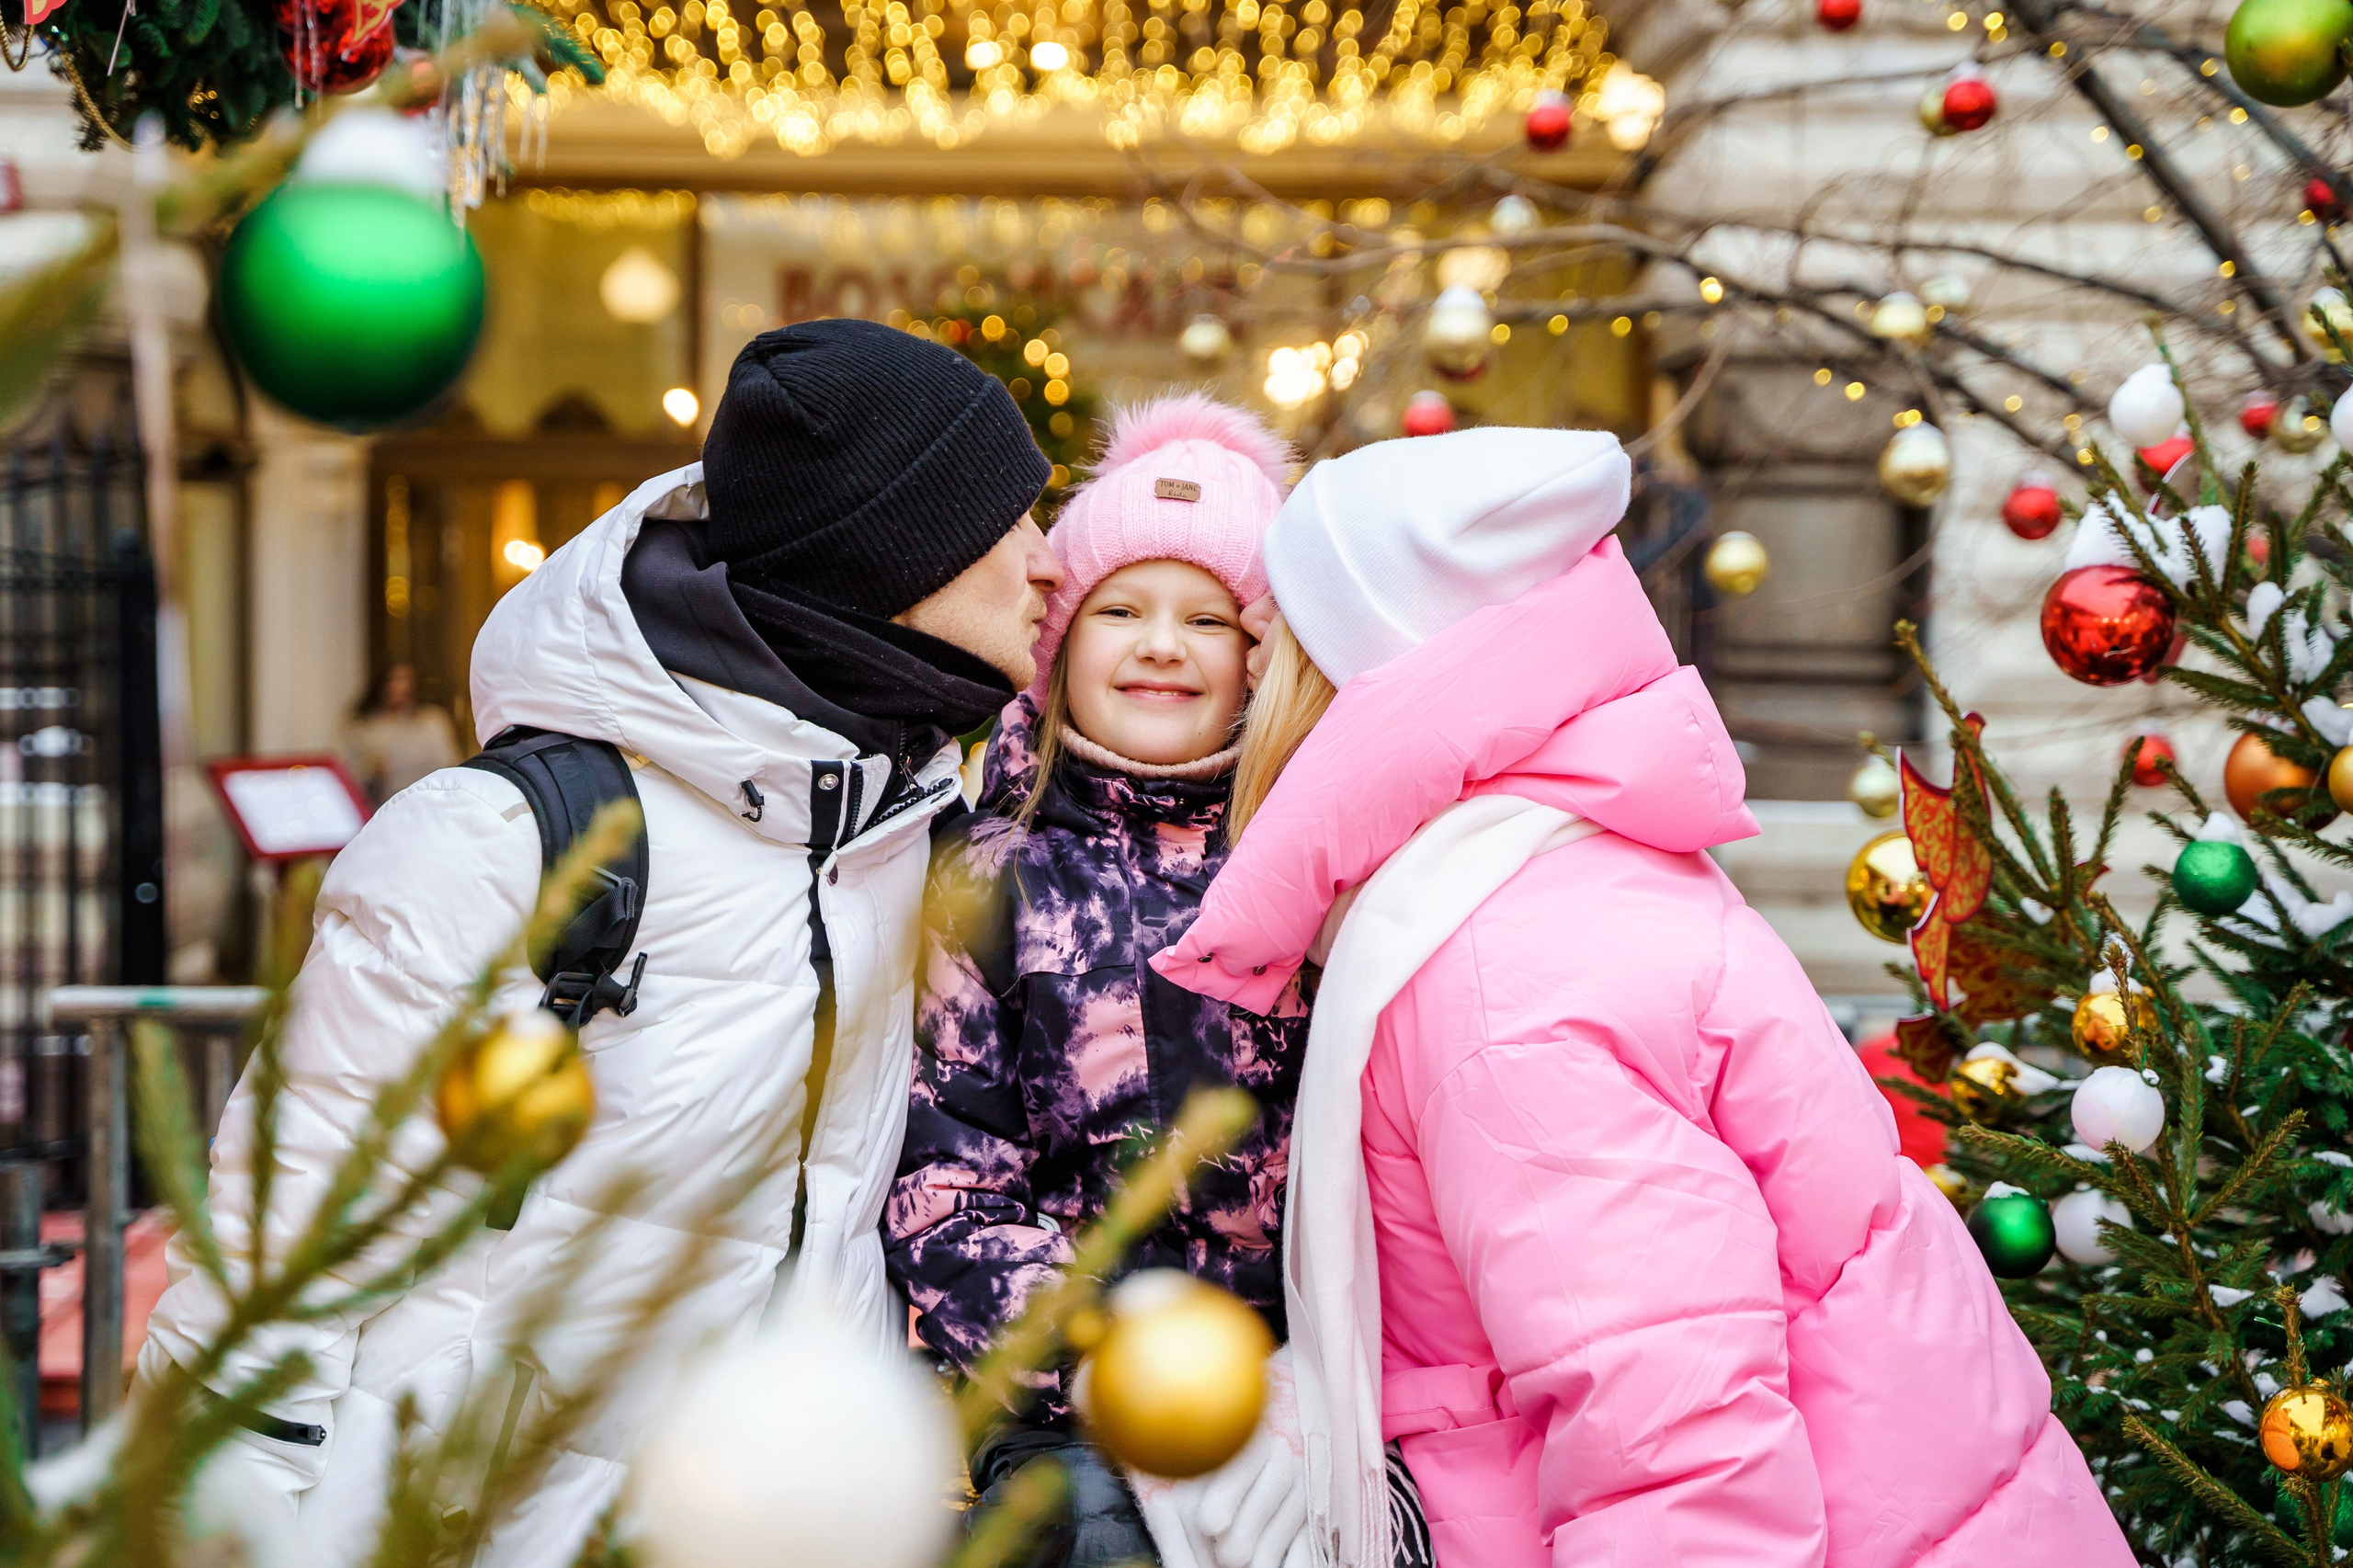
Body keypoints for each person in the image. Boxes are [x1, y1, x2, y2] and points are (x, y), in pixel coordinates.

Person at [138, 319, 1064, 1568]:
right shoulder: (503, 842)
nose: (1053, 563)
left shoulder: (903, 831)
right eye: (1011, 521)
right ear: (891, 548)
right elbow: (276, 1256)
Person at [1152, 427, 2133, 1568]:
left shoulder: (1495, 982)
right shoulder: (1542, 872)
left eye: (1272, 641)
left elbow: (1677, 1461)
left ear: (1355, 672)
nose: (1242, 683)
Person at [884, 395, 1311, 1568]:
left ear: (1264, 655)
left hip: (1320, 1391)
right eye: (1119, 608)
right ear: (1059, 641)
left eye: (1208, 619)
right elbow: (946, 1180)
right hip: (1074, 1405)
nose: (1160, 643)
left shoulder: (1321, 866)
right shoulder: (992, 874)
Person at [341, 661, 462, 806]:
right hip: (381, 807)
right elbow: (348, 775)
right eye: (393, 679)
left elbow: (449, 764)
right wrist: (370, 770)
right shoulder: (362, 726)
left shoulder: (432, 722)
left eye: (404, 680)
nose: (397, 687)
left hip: (427, 803)